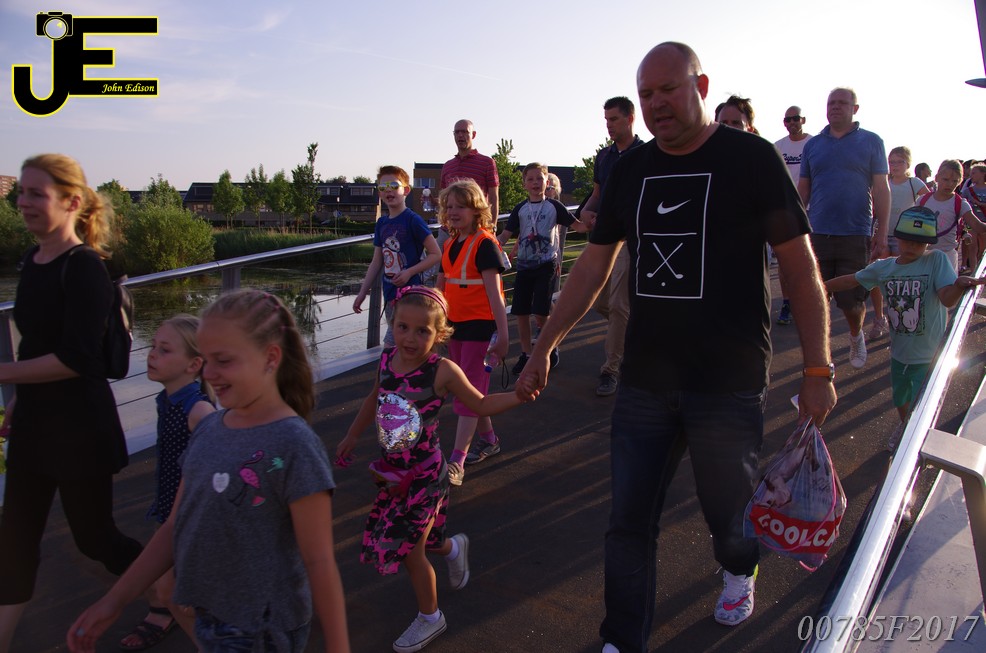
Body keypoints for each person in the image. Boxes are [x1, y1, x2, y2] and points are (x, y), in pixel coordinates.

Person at [516, 42, 835, 653]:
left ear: (701, 86)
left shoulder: (751, 158)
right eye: (646, 94)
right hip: (646, 381)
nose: (656, 103)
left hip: (728, 380)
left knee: (726, 513)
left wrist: (818, 368)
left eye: (668, 89)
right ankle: (622, 639)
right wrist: (542, 347)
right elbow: (591, 268)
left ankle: (739, 567)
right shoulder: (631, 169)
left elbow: (799, 267)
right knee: (628, 522)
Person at [67, 289, 350, 653]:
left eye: (224, 360)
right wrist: (114, 600)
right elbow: (174, 526)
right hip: (212, 616)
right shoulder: (210, 430)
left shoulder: (293, 444)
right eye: (206, 358)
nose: (209, 373)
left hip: (262, 628)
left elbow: (319, 561)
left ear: (270, 357)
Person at [336, 286, 532, 652]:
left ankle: (431, 617)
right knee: (427, 541)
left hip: (425, 477)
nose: (410, 338)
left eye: (422, 330)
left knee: (411, 551)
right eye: (403, 327)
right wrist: (351, 435)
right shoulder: (387, 358)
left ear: (440, 334)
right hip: (394, 473)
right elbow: (374, 398)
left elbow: (480, 404)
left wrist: (517, 396)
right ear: (393, 325)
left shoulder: (442, 371)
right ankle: (453, 549)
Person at [0, 154, 144, 652]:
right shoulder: (32, 261)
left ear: (72, 201)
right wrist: (20, 397)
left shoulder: (84, 267)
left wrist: (3, 375)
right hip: (35, 424)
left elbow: (79, 358)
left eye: (36, 193)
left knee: (95, 539)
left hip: (79, 428)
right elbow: (36, 344)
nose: (23, 202)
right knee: (15, 541)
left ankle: (173, 594)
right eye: (20, 192)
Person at [825, 207, 984, 449]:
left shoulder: (936, 260)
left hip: (929, 355)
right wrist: (820, 286)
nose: (912, 247)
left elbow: (947, 299)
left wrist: (959, 285)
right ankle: (905, 424)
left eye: (919, 243)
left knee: (922, 407)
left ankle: (915, 440)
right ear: (897, 237)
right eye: (908, 240)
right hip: (899, 352)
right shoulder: (884, 267)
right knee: (900, 398)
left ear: (928, 244)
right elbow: (852, 279)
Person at [119, 315, 215, 650]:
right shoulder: (168, 399)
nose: (152, 354)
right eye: (153, 346)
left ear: (194, 364)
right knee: (169, 592)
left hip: (190, 519)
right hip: (170, 509)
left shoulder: (198, 411)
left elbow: (216, 471)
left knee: (176, 594)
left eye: (164, 349)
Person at [798, 87, 891, 370]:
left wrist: (882, 233)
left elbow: (881, 188)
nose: (835, 107)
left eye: (842, 103)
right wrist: (794, 228)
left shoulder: (871, 141)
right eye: (831, 103)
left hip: (855, 232)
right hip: (818, 233)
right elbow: (803, 190)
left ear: (855, 109)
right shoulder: (813, 145)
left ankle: (855, 334)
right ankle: (820, 358)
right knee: (817, 298)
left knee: (851, 302)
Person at [435, 180, 510, 485]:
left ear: (476, 209)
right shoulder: (450, 244)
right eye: (449, 206)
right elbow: (441, 288)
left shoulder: (485, 244)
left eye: (461, 206)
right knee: (468, 389)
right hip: (455, 327)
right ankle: (489, 439)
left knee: (468, 393)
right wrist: (434, 326)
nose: (453, 212)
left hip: (480, 328)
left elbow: (495, 295)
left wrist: (503, 336)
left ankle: (457, 461)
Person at [579, 97, 645, 397]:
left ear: (630, 119)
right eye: (606, 120)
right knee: (598, 302)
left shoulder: (645, 154)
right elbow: (597, 194)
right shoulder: (604, 157)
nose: (609, 125)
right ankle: (636, 336)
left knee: (619, 306)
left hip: (630, 239)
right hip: (604, 238)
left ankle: (612, 370)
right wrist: (586, 211)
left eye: (614, 119)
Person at [498, 163, 586, 374]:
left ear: (547, 182)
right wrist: (486, 242)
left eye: (540, 178)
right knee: (520, 312)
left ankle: (548, 349)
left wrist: (594, 221)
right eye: (530, 179)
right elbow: (504, 236)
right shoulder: (520, 208)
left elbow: (579, 226)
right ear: (524, 184)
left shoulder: (554, 207)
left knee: (541, 311)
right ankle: (526, 354)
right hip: (524, 266)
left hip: (546, 265)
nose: (535, 183)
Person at [353, 165, 441, 346]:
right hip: (390, 293)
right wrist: (362, 292)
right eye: (383, 187)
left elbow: (435, 254)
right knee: (402, 344)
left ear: (406, 190)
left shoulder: (413, 220)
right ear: (379, 193)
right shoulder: (382, 223)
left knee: (392, 344)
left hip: (411, 294)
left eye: (394, 185)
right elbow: (377, 261)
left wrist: (409, 272)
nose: (388, 191)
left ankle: (391, 363)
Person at [868, 146, 930, 340]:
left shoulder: (914, 183)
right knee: (877, 275)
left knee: (900, 280)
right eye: (891, 162)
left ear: (908, 164)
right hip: (883, 234)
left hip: (904, 237)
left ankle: (901, 317)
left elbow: (929, 202)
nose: (894, 166)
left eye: (899, 162)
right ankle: (879, 318)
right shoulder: (884, 183)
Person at [773, 106, 813, 326]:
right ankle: (787, 303)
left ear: (803, 120)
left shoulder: (814, 144)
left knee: (811, 259)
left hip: (812, 209)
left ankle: (809, 303)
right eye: (787, 120)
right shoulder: (778, 146)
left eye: (795, 119)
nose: (791, 123)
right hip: (786, 210)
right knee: (784, 259)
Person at [915, 159, 986, 272]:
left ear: (960, 181)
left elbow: (977, 225)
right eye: (945, 179)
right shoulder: (923, 200)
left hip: (947, 255)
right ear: (937, 177)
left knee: (947, 284)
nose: (950, 184)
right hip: (923, 254)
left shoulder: (960, 203)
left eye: (954, 181)